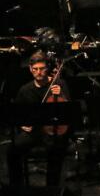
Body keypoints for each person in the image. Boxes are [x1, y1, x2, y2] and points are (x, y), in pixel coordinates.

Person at [6, 52, 72, 187]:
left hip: (54, 130)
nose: (39, 72)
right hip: (34, 131)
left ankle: (52, 189)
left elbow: (69, 111)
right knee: (12, 150)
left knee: (56, 150)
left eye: (42, 68)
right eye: (35, 69)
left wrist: (61, 95)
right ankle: (17, 187)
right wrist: (22, 125)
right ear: (30, 69)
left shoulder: (59, 84)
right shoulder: (25, 90)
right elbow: (17, 114)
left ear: (47, 68)